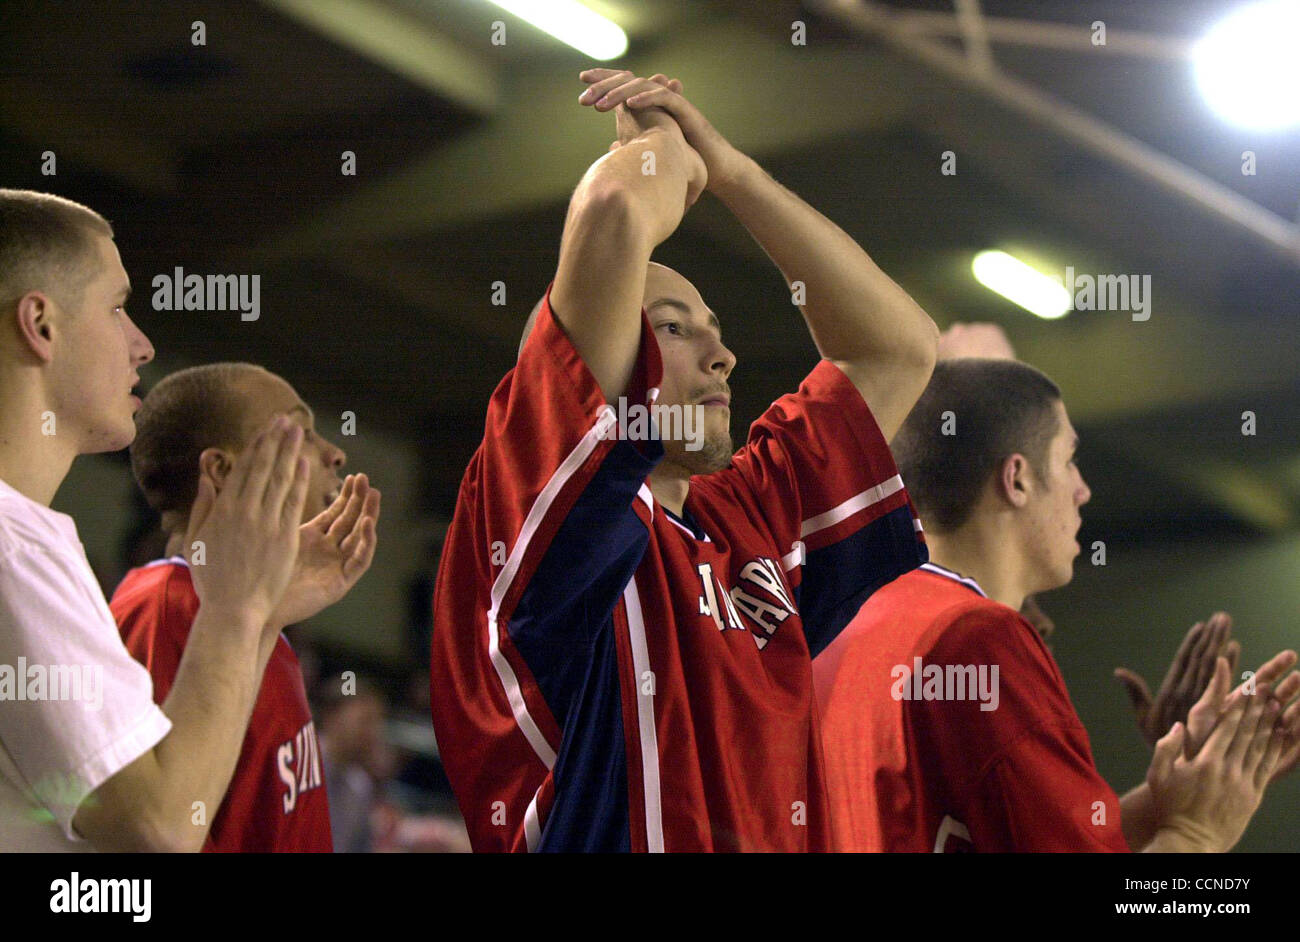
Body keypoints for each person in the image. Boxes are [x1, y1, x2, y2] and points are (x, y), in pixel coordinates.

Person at [429, 70, 937, 851]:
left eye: (713, 327)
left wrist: (731, 171)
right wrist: (665, 146)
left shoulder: (745, 513)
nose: (722, 355)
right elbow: (612, 207)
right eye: (673, 327)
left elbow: (897, 347)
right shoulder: (525, 488)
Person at [813, 358, 1300, 851]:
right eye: (1068, 459)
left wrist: (1176, 795)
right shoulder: (979, 637)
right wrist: (1198, 829)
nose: (1083, 489)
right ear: (1017, 479)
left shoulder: (847, 626)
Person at [0, 189, 337, 851]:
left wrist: (261, 611)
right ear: (40, 325)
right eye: (118, 307)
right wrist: (237, 611)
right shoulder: (13, 546)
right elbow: (157, 825)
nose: (142, 344)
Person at [112, 363, 380, 851]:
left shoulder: (255, 618)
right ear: (223, 469)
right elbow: (154, 833)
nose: (335, 453)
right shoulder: (164, 607)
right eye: (300, 432)